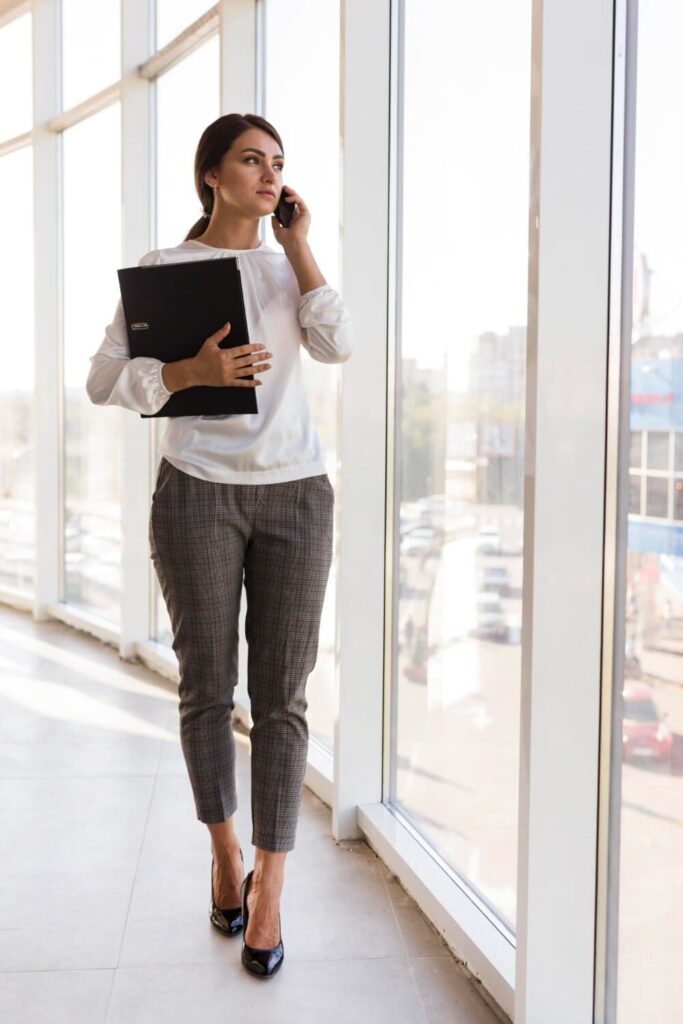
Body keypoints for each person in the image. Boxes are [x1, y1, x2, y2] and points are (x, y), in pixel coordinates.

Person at [86, 113, 353, 978]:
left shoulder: (287, 269)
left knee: (285, 697)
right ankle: (224, 852)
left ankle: (271, 885)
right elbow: (101, 381)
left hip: (296, 497)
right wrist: (189, 375)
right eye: (251, 161)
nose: (269, 175)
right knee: (208, 689)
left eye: (278, 163)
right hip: (196, 496)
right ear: (211, 175)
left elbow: (336, 341)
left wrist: (302, 246)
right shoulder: (164, 273)